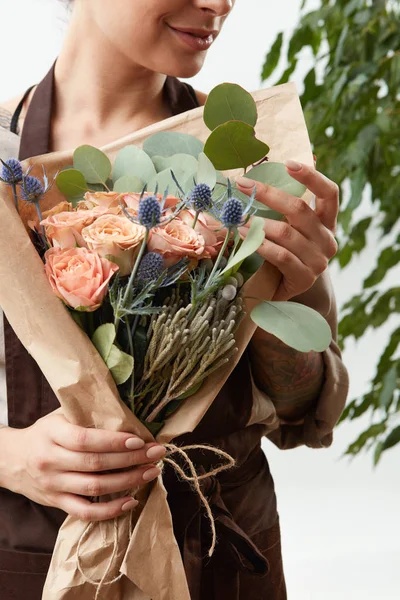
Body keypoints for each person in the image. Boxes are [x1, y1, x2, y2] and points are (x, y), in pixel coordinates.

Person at [0, 1, 349, 598]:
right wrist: (8, 456)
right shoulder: (6, 156)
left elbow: (305, 409)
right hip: (35, 561)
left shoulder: (253, 160)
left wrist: (266, 302)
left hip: (220, 553)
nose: (219, 3)